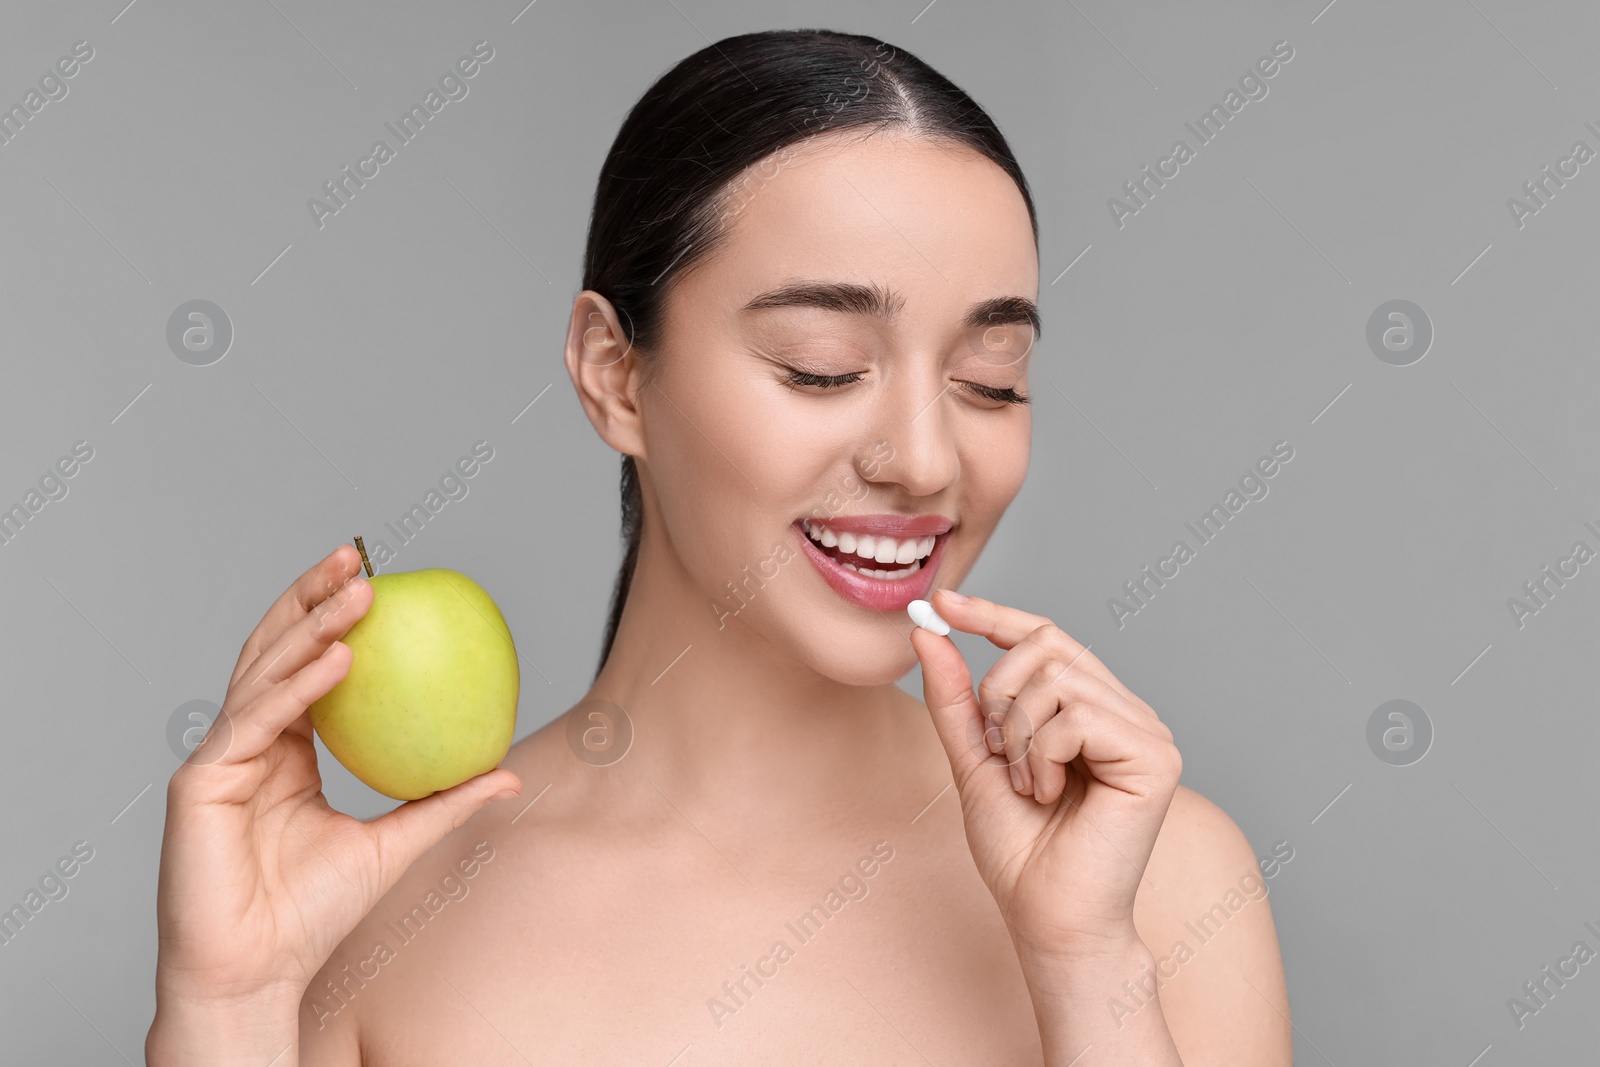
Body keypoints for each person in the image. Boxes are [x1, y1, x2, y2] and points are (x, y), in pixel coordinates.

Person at [146, 28, 1291, 1065]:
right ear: (615, 374)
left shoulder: (1160, 882)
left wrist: (1090, 967)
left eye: (990, 381)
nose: (927, 459)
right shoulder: (384, 914)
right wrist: (227, 1006)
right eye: (821, 365)